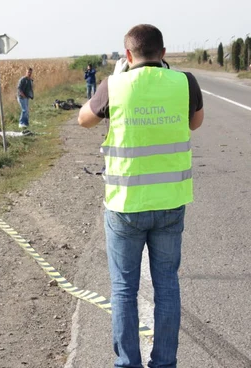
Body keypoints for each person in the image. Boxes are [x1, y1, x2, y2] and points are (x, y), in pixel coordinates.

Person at [77, 24, 204, 368]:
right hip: (169, 203)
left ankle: (127, 363)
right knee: (167, 287)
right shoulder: (185, 82)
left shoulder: (113, 85)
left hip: (125, 205)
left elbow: (83, 120)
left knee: (123, 290)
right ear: (163, 53)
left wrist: (116, 78)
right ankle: (164, 363)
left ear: (128, 55)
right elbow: (196, 123)